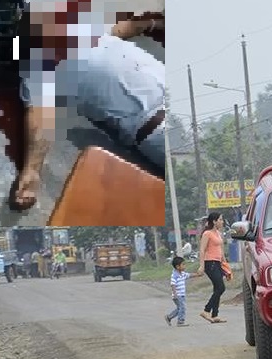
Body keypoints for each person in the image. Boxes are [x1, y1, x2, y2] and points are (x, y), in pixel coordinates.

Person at [11, 0, 166, 211]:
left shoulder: (85, 30)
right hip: (156, 129)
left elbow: (125, 28)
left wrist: (153, 23)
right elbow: (40, 117)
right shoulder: (40, 64)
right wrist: (31, 171)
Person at [199, 212, 229, 324]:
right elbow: (202, 250)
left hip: (217, 263)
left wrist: (225, 264)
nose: (222, 221)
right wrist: (201, 266)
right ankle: (206, 310)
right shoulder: (207, 234)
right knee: (221, 288)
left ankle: (215, 314)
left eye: (222, 219)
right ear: (214, 221)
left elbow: (221, 250)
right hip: (209, 263)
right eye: (220, 220)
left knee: (217, 288)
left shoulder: (218, 233)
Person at [164, 256, 203, 327]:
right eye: (183, 264)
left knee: (180, 308)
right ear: (177, 266)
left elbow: (189, 275)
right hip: (177, 295)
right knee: (182, 307)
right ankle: (180, 321)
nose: (185, 266)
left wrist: (198, 275)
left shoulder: (182, 274)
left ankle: (169, 317)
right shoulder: (174, 275)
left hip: (182, 295)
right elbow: (173, 284)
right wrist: (175, 294)